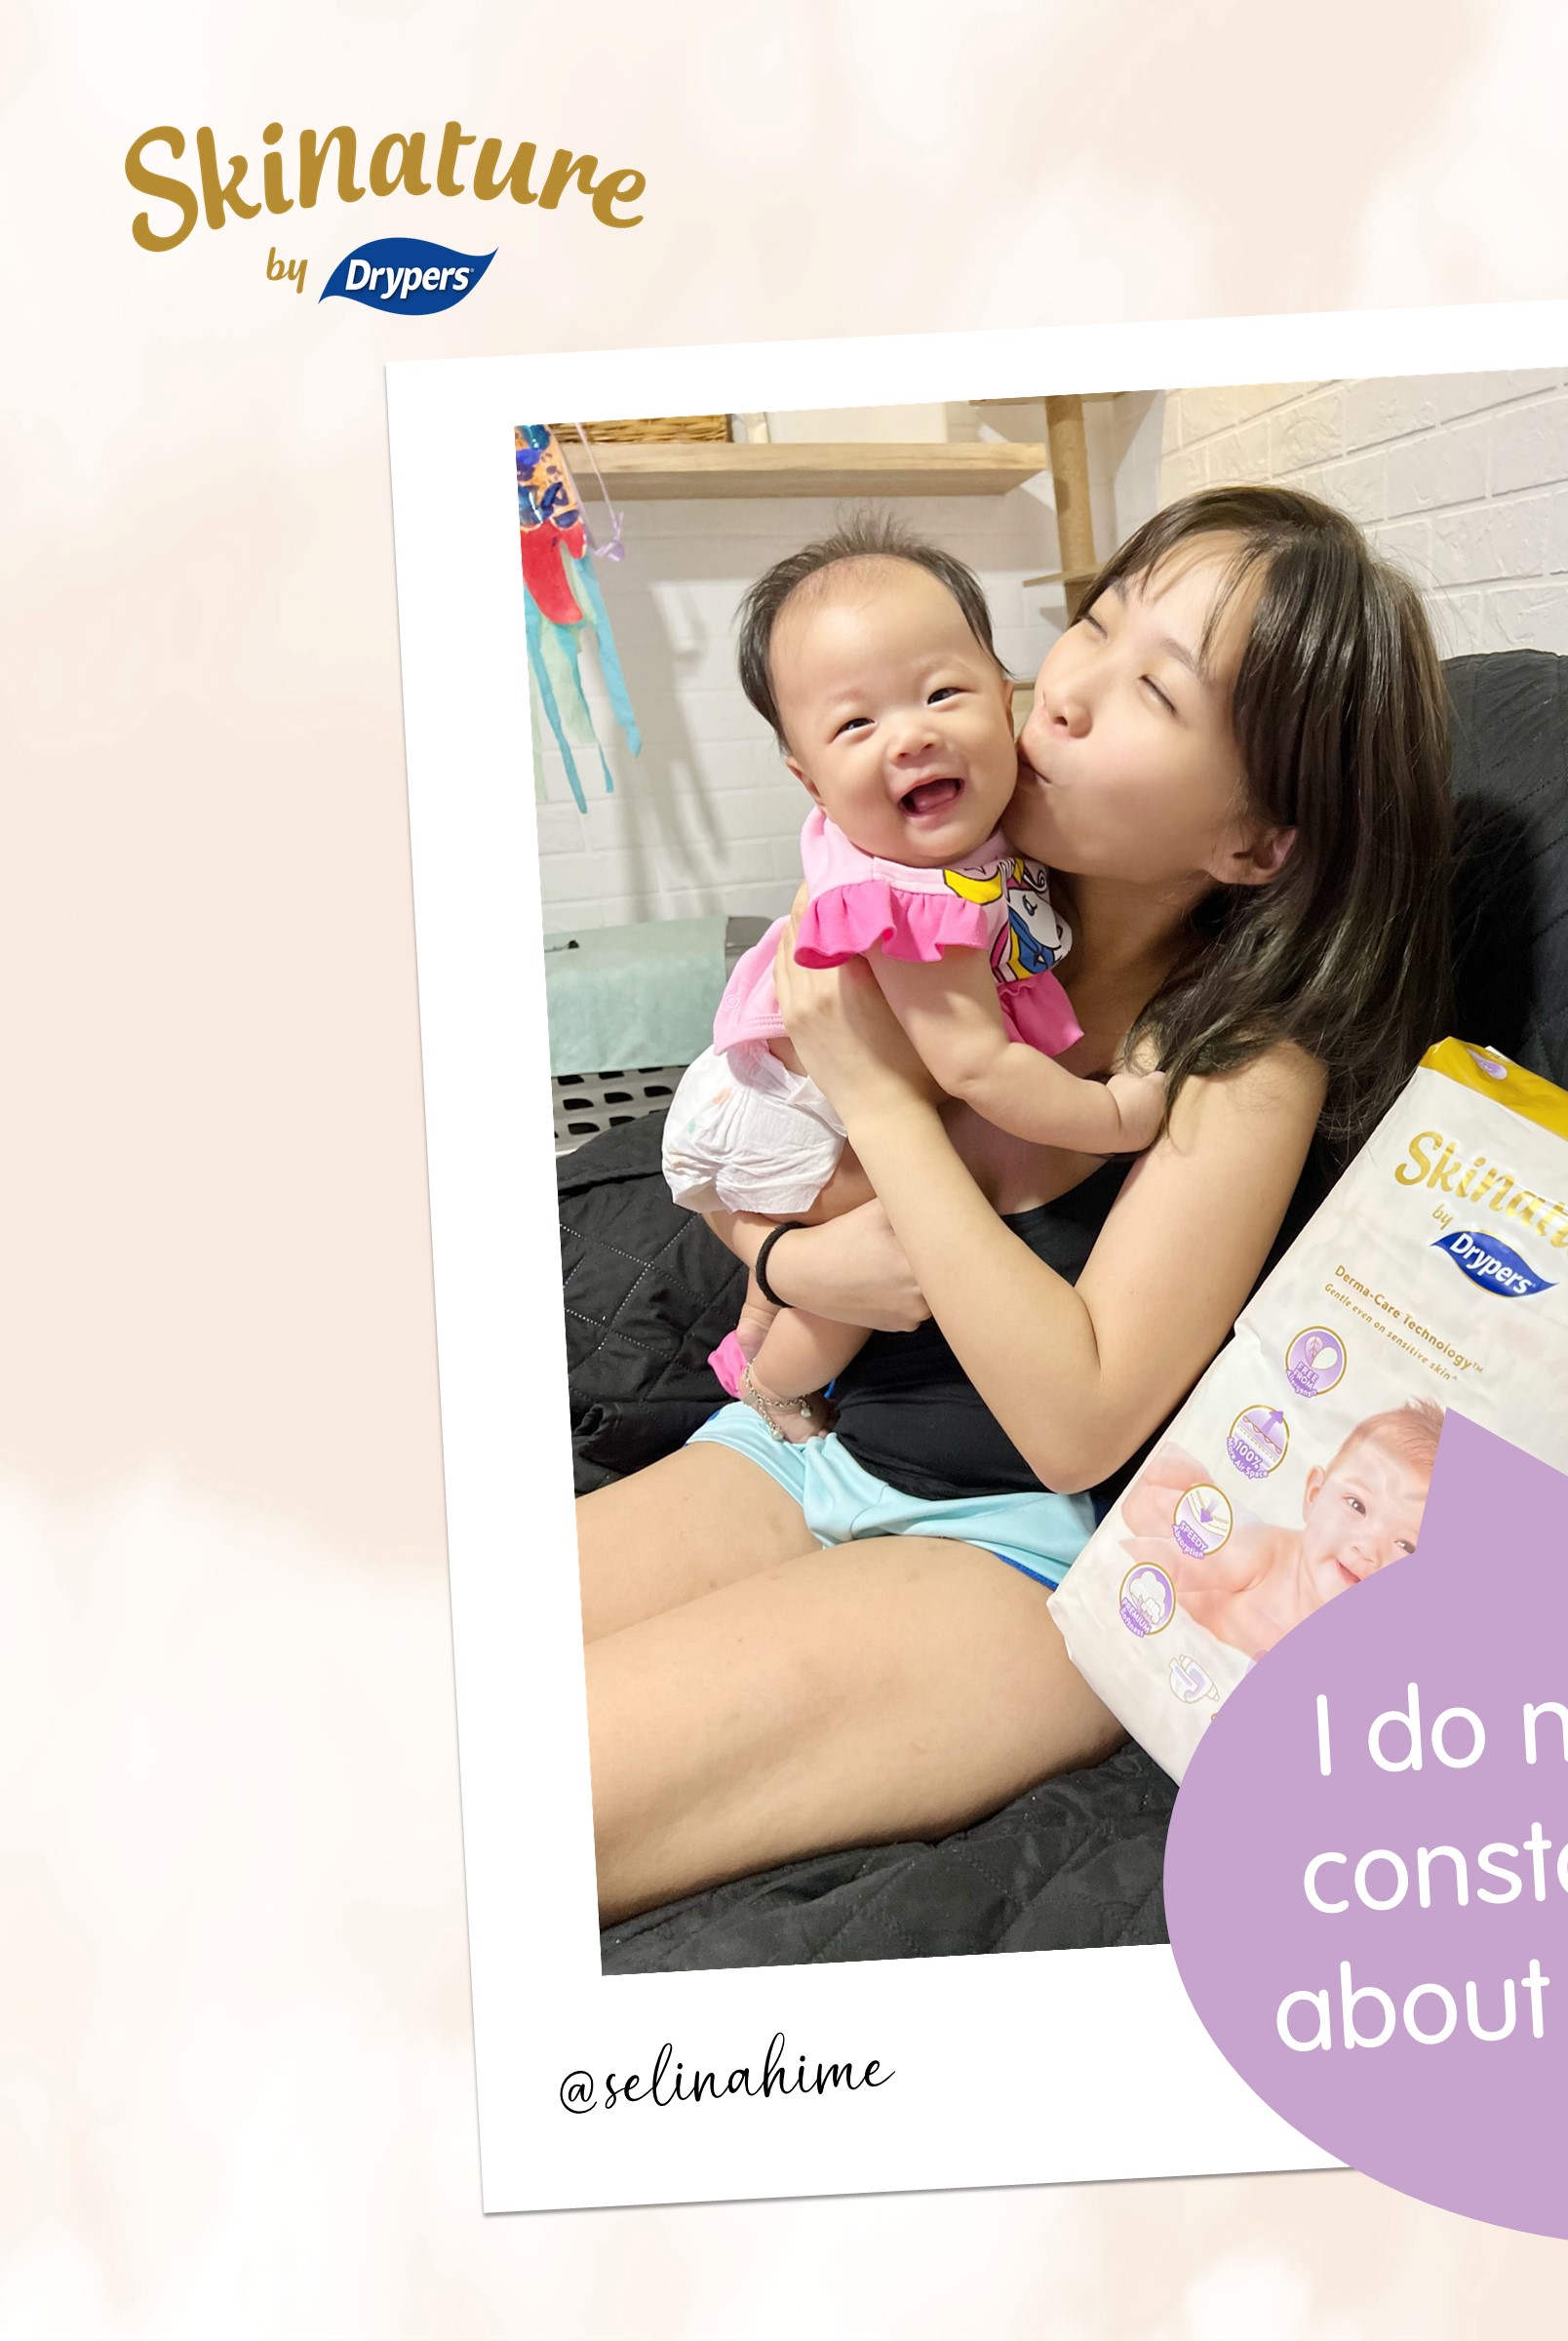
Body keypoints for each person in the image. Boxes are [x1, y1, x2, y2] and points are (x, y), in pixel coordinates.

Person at [578, 485, 1452, 1924]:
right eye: (1093, 629)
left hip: (1011, 1546)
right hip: (803, 1443)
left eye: (1156, 690)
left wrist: (880, 1102)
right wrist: (789, 1269)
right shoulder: (948, 885)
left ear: (1255, 841)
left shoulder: (1242, 1054)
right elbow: (761, 1169)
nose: (1065, 697)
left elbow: (1078, 1423)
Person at [658, 516, 1165, 1428]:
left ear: (1005, 701)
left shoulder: (976, 834)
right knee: (901, 1236)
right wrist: (1114, 1116)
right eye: (856, 723)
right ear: (810, 781)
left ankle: (755, 1318)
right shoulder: (907, 902)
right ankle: (774, 1387)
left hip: (775, 1085)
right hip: (780, 1114)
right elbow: (977, 1066)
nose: (910, 738)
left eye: (941, 693)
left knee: (867, 1226)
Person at [1116, 1400, 1445, 1659]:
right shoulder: (1267, 1555)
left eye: (1407, 1546)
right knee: (1154, 1503)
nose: (1368, 1549)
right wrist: (1120, 1561)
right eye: (1357, 1505)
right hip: (1215, 1567)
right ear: (1314, 1495)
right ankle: (1184, 1485)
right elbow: (1167, 1564)